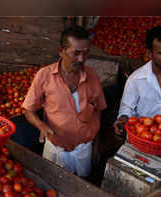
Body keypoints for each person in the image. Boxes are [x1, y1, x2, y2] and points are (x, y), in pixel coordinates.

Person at [22, 25, 107, 177]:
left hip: (84, 148)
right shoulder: (44, 76)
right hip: (56, 149)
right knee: (52, 185)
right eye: (76, 53)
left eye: (85, 53)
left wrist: (95, 143)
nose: (81, 59)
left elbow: (99, 109)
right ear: (61, 51)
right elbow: (28, 110)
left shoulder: (93, 76)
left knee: (83, 184)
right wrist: (41, 125)